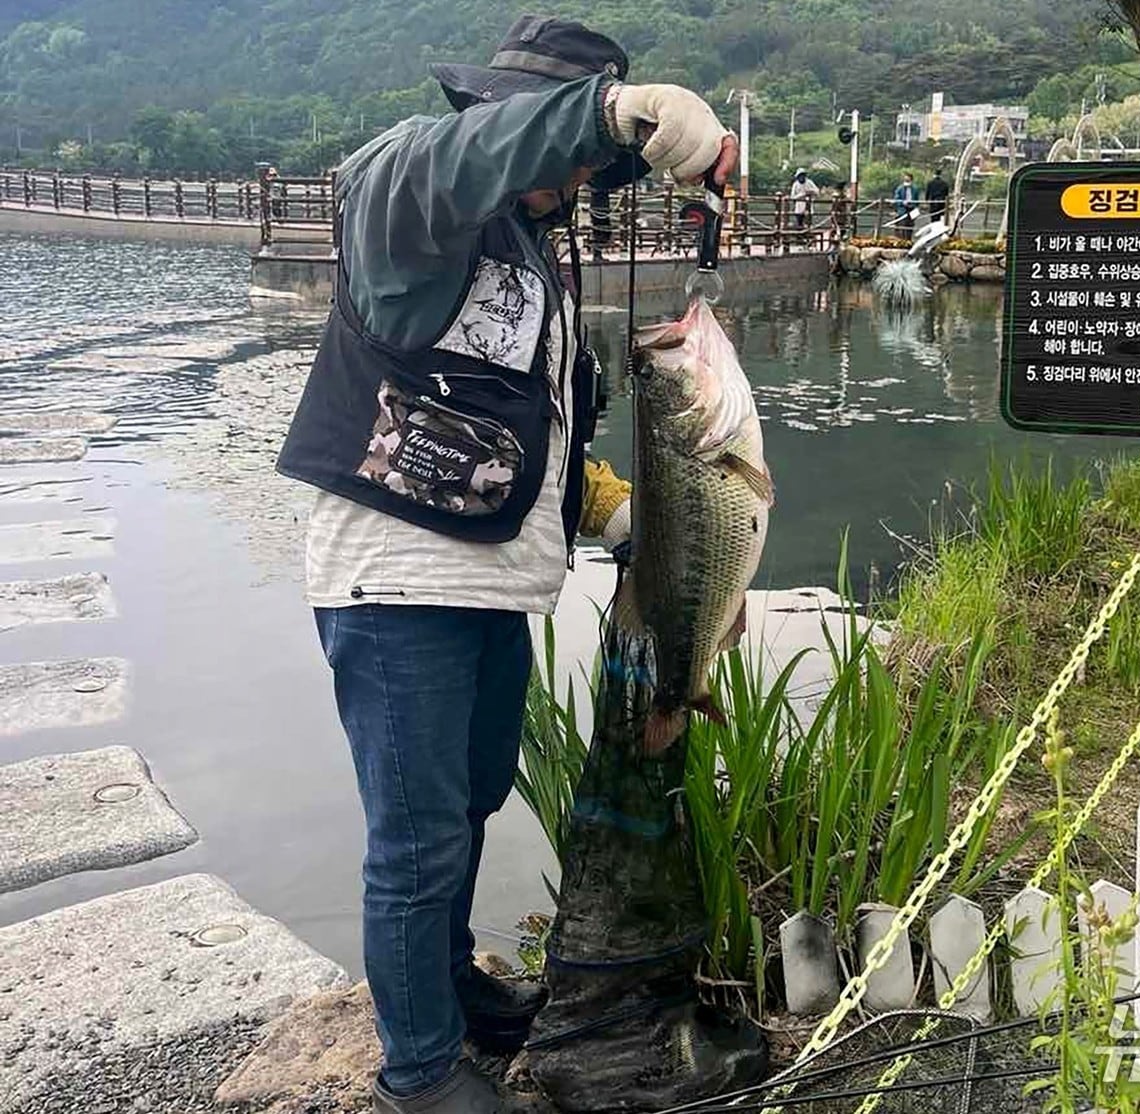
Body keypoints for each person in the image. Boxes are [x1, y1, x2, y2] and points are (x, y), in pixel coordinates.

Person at [275, 15, 737, 1114]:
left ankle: (445, 987)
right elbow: (420, 163)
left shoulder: (532, 260)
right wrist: (612, 109)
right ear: (504, 121)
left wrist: (617, 509)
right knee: (417, 836)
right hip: (396, 584)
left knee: (469, 806)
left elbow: (513, 435)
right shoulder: (410, 203)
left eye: (594, 159)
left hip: (491, 585)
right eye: (578, 145)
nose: (582, 171)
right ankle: (419, 1070)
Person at [893, 172, 918, 240]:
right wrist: (902, 203)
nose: (907, 181)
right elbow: (896, 199)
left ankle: (909, 240)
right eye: (906, 180)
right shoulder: (900, 189)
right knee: (903, 226)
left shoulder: (915, 189)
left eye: (908, 180)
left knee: (910, 226)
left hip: (911, 209)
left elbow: (917, 200)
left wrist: (915, 207)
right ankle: (903, 240)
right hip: (903, 209)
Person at [828, 181, 851, 245]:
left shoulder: (842, 196)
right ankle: (835, 246)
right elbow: (834, 207)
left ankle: (838, 245)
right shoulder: (836, 196)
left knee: (842, 230)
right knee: (837, 231)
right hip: (838, 217)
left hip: (842, 217)